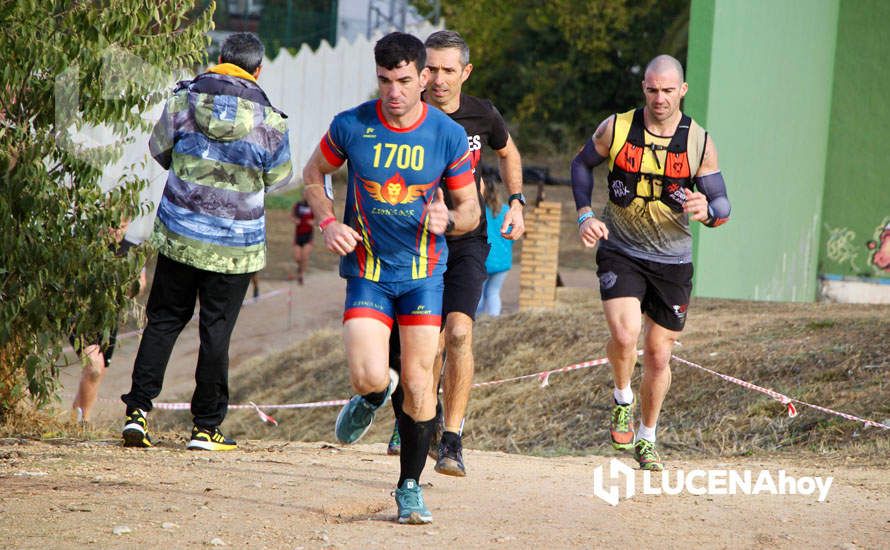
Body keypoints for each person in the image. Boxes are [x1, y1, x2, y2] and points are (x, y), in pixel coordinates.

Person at [302, 32, 479, 525]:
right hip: (369, 272)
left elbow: (470, 210)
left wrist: (451, 222)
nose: (394, 92)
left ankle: (408, 487)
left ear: (423, 77)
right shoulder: (352, 125)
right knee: (368, 375)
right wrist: (329, 221)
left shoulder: (446, 134)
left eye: (404, 80)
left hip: (424, 275)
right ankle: (375, 395)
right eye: (385, 81)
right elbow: (314, 174)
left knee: (422, 385)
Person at [121, 32, 293, 450]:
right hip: (234, 249)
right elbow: (278, 178)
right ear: (258, 70)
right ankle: (205, 427)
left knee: (163, 320)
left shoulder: (183, 100)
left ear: (219, 59)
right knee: (216, 331)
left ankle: (138, 414)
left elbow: (159, 150)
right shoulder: (271, 122)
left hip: (180, 235)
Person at [570, 55, 731, 471]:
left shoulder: (698, 142)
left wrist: (707, 210)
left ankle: (647, 437)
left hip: (672, 260)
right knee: (625, 335)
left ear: (683, 90)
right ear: (644, 88)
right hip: (620, 247)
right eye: (652, 89)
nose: (659, 98)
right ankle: (622, 398)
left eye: (667, 90)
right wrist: (585, 213)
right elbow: (581, 163)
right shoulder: (617, 127)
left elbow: (723, 205)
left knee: (659, 355)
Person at [386, 30, 525, 476]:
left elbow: (509, 153)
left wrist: (516, 201)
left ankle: (451, 439)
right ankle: (410, 416)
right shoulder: (406, 112)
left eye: (449, 70)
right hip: (414, 241)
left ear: (465, 72)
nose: (439, 79)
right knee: (421, 342)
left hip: (467, 239)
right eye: (431, 69)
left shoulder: (482, 115)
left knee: (459, 333)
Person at [70, 222, 147, 424]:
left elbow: (140, 286)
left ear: (128, 223)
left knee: (97, 370)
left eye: (121, 226)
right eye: (112, 225)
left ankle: (76, 418)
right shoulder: (86, 245)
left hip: (108, 317)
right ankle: (83, 421)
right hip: (80, 314)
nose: (116, 231)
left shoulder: (132, 249)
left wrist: (125, 286)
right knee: (94, 365)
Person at [476, 178, 514, 317]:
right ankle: (493, 322)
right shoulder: (506, 211)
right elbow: (511, 235)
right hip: (503, 260)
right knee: (493, 292)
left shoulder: (478, 211)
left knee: (478, 294)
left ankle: (477, 322)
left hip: (483, 260)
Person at [290, 195, 315, 284]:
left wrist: (313, 222)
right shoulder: (298, 205)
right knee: (297, 258)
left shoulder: (313, 206)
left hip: (308, 236)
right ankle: (300, 269)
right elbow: (292, 216)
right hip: (298, 235)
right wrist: (294, 220)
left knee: (304, 257)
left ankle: (301, 275)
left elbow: (319, 220)